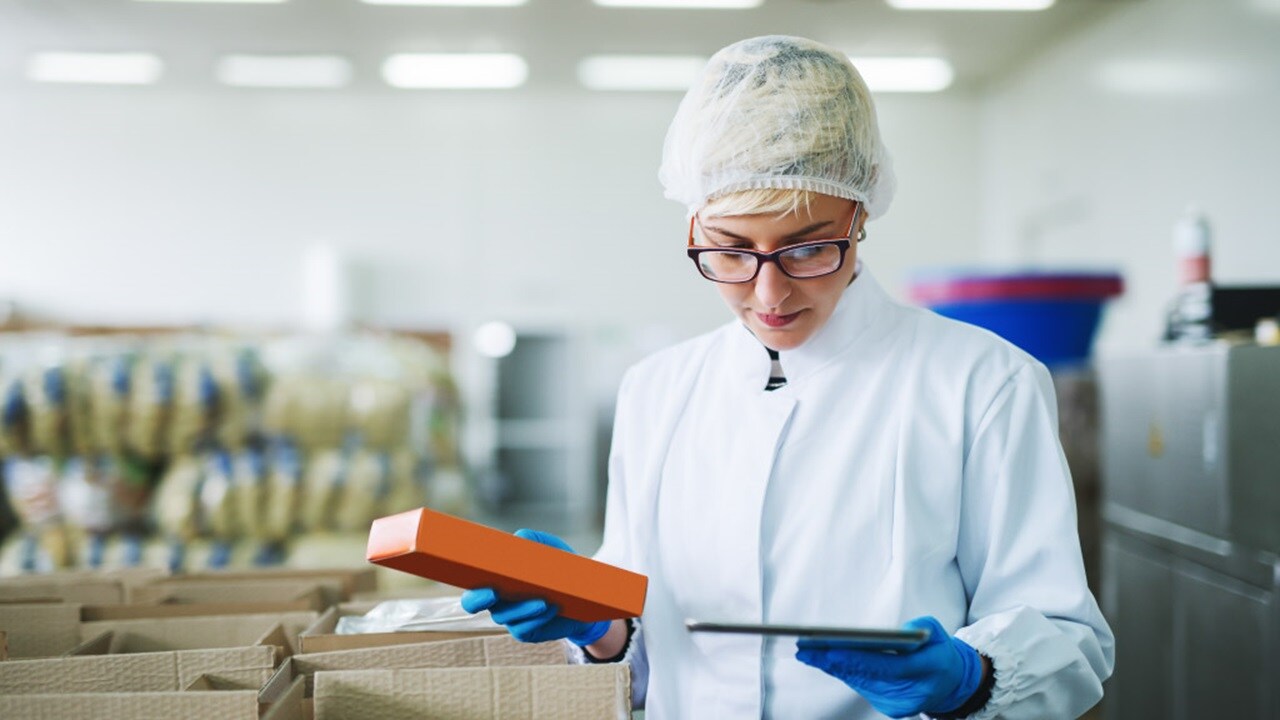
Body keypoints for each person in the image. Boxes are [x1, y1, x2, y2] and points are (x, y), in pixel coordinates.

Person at [461, 35, 1114, 719]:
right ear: (693, 225)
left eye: (806, 248)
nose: (769, 294)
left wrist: (971, 678)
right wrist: (600, 626)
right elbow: (649, 651)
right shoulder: (657, 391)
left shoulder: (983, 383)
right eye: (732, 250)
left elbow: (1068, 642)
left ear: (860, 216)